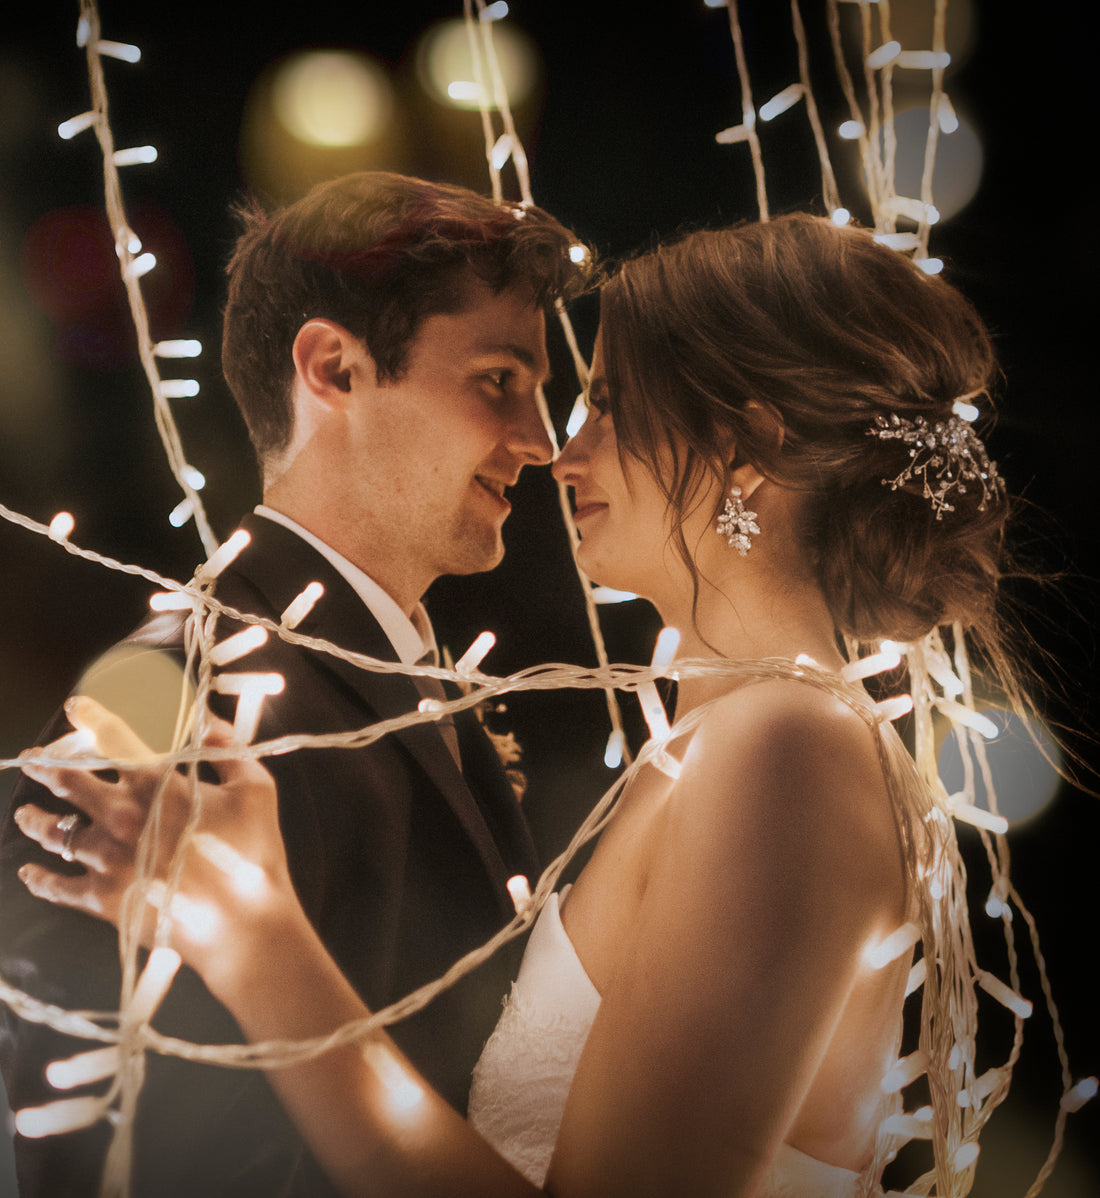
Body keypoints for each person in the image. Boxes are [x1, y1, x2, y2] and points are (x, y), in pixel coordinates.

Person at [11, 213, 1027, 1196]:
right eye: (517, 387)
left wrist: (259, 942)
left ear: (744, 449)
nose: (561, 451)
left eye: (610, 403)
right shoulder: (727, 742)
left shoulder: (785, 746)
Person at [0, 171, 591, 1196]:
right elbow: (85, 1106)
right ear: (334, 368)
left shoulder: (404, 662)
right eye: (499, 378)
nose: (540, 442)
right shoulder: (170, 681)